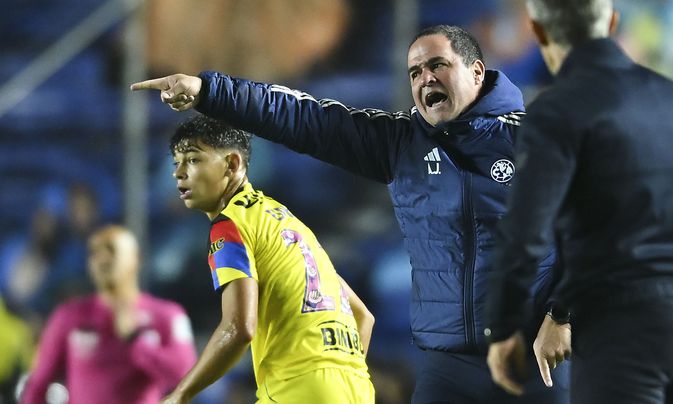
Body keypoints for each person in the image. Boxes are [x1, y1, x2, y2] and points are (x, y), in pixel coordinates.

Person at [131, 24, 571, 403]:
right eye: (415, 72)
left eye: (437, 65)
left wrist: (563, 315)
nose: (425, 78)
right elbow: (304, 118)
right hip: (447, 364)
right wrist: (210, 93)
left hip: (532, 354)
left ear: (477, 72)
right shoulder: (400, 144)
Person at [482, 0, 673, 403]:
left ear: (538, 30)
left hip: (624, 323)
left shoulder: (555, 111)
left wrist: (503, 326)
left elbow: (526, 232)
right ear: (610, 22)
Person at [159, 115, 374, 404]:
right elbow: (364, 317)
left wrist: (181, 394)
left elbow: (239, 328)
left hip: (297, 388)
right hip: (357, 387)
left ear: (232, 164)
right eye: (177, 163)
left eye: (194, 160)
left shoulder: (231, 224)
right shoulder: (290, 223)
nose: (179, 173)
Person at [21, 225, 197, 404]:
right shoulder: (69, 316)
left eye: (111, 250)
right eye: (94, 252)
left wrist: (135, 339)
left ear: (136, 259)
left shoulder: (166, 315)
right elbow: (38, 385)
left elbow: (187, 376)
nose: (102, 259)